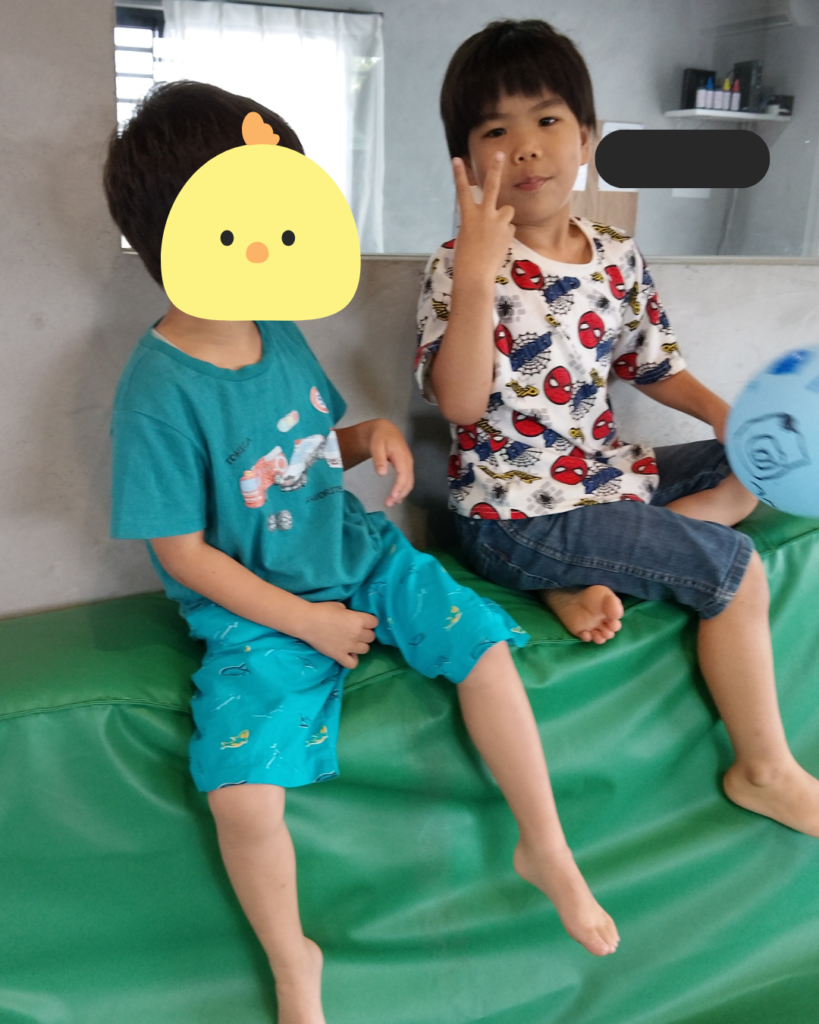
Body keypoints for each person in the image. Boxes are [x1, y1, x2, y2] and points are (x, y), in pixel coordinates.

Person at [104, 81, 620, 1024]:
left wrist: (367, 434)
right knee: (242, 800)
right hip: (258, 610)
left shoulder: (276, 330)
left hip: (363, 554)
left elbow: (302, 446)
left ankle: (543, 845)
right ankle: (291, 958)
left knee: (486, 649)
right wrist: (303, 622)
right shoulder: (158, 391)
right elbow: (182, 553)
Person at [416, 19, 819, 842]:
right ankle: (762, 770)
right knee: (734, 568)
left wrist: (727, 415)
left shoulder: (613, 254)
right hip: (511, 515)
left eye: (546, 119)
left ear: (586, 136)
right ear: (464, 161)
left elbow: (651, 364)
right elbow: (457, 404)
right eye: (495, 131)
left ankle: (589, 572)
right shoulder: (456, 265)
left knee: (745, 464)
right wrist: (475, 277)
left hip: (598, 477)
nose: (526, 147)